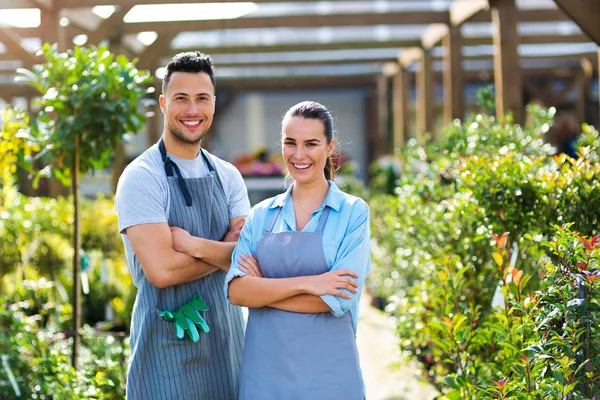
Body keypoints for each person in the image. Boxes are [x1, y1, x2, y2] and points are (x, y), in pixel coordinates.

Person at [115, 51, 249, 400]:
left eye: (202, 98)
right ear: (163, 103)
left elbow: (248, 256)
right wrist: (224, 253)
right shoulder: (142, 178)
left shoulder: (228, 175)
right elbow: (162, 271)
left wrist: (190, 245)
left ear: (214, 104)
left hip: (227, 345)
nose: (193, 110)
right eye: (181, 99)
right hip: (165, 351)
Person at [225, 101, 371, 399]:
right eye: (290, 143)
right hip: (265, 376)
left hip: (329, 377)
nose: (299, 154)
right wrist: (311, 283)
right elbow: (237, 292)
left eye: (311, 143)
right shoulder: (261, 215)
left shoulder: (353, 213)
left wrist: (263, 291)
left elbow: (336, 299)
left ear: (330, 147)